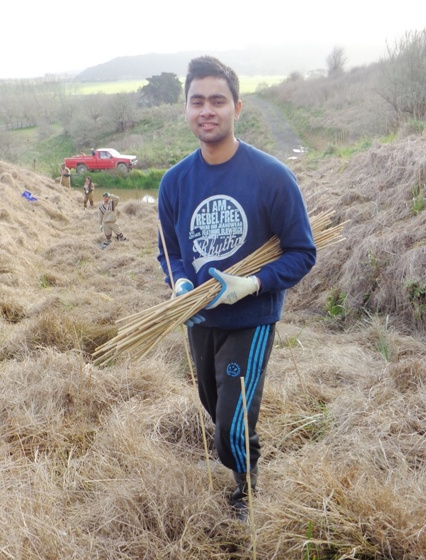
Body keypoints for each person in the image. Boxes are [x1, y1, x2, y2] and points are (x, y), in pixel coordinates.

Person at [157, 56, 316, 518]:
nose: (207, 110)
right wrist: (180, 280)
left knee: (230, 427)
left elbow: (302, 252)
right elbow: (169, 250)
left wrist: (251, 284)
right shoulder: (174, 182)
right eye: (197, 101)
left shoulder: (271, 176)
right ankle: (240, 457)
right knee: (215, 409)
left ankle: (246, 491)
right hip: (200, 318)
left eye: (218, 101)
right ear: (186, 109)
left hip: (251, 318)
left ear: (237, 108)